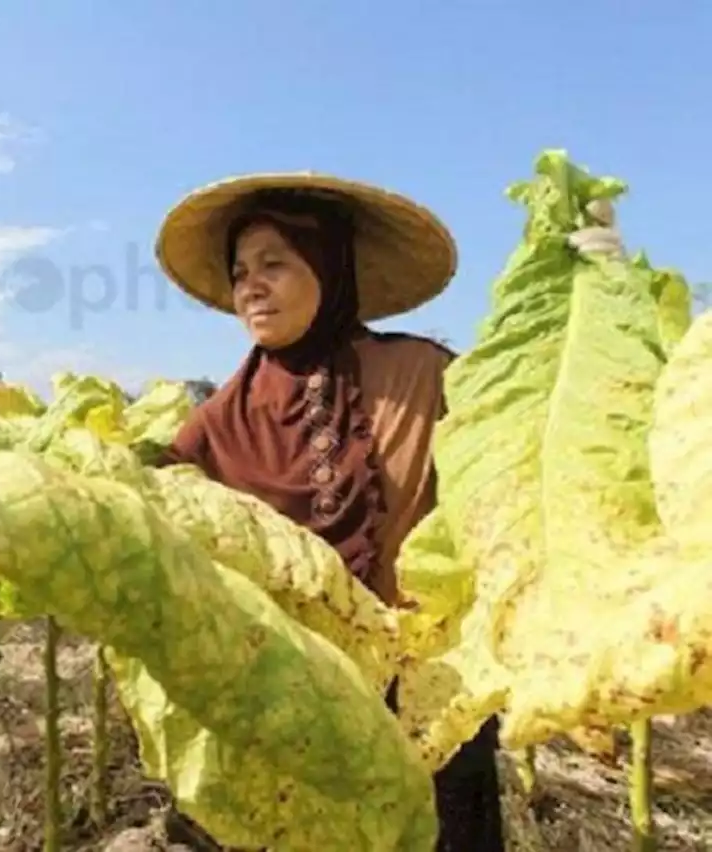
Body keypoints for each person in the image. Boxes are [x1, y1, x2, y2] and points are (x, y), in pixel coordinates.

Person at [148, 171, 622, 851]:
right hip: (283, 697)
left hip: (422, 698)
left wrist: (599, 276)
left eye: (274, 263)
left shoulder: (422, 375)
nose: (250, 284)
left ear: (328, 266)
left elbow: (534, 433)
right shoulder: (219, 419)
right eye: (240, 270)